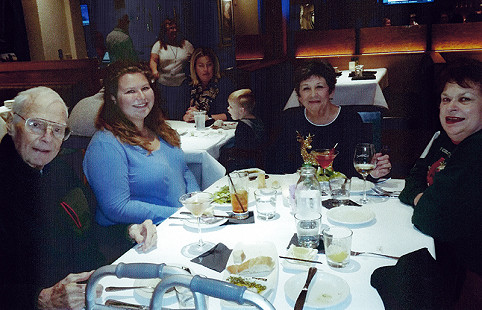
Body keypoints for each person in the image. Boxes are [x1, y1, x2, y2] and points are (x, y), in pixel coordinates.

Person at [0, 86, 157, 309]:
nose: (47, 138)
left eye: (57, 130)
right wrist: (42, 298)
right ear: (11, 123)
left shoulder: (58, 169)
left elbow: (87, 226)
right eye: (36, 125)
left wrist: (129, 231)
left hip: (95, 290)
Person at [399, 58, 481, 308]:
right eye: (446, 99)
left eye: (464, 99)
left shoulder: (475, 152)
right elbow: (413, 178)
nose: (451, 107)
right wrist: (423, 199)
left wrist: (425, 203)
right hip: (442, 254)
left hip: (468, 276)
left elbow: (430, 218)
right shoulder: (442, 140)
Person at [83, 61, 200, 226]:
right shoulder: (106, 144)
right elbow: (116, 208)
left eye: (145, 88)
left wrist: (197, 203)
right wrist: (180, 214)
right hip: (141, 237)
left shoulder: (160, 130)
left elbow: (183, 171)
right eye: (130, 91)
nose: (142, 97)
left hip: (180, 224)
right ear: (113, 98)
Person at [268, 60, 391, 178]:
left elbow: (362, 166)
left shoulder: (350, 120)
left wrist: (374, 172)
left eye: (319, 87)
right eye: (306, 88)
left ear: (331, 91)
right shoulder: (289, 120)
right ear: (299, 96)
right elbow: (275, 166)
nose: (313, 94)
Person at [149, 18, 194, 120]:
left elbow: (195, 59)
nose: (174, 30)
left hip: (182, 84)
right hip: (164, 86)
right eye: (170, 28)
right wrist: (154, 71)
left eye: (175, 28)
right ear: (165, 31)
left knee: (181, 111)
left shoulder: (186, 44)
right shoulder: (159, 45)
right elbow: (153, 60)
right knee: (166, 113)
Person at [221, 89, 266, 172]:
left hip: (247, 165)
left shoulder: (243, 126)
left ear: (241, 110)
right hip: (259, 161)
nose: (228, 109)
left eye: (231, 106)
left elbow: (240, 151)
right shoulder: (257, 120)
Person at [183, 48, 232, 123]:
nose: (205, 69)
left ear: (214, 66)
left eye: (209, 65)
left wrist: (205, 117)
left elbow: (230, 115)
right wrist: (186, 116)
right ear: (194, 68)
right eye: (201, 66)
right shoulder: (188, 85)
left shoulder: (224, 84)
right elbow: (181, 112)